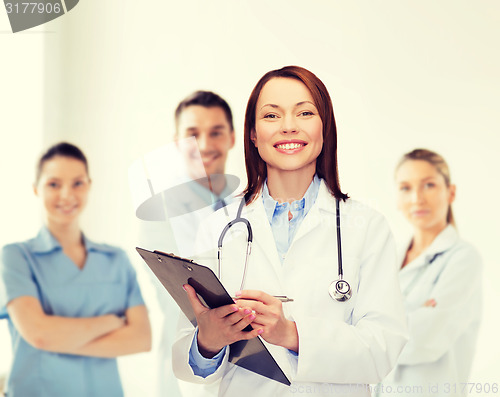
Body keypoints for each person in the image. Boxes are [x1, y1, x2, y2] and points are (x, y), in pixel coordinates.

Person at [172, 66, 408, 396]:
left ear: (325, 127)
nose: (288, 126)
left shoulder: (367, 226)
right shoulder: (218, 226)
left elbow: (383, 348)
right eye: (271, 115)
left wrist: (291, 334)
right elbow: (187, 364)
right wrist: (207, 342)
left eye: (305, 112)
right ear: (252, 134)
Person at [0, 142, 151, 397]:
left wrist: (58, 338)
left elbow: (141, 338)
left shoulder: (116, 259)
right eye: (54, 184)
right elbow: (39, 335)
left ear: (89, 186)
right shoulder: (16, 257)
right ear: (36, 188)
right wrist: (110, 323)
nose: (67, 195)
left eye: (77, 183)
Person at [137, 90, 237, 397]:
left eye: (216, 132)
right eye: (192, 134)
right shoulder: (160, 212)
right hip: (189, 375)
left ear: (232, 137)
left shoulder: (246, 206)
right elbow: (187, 301)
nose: (204, 145)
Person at [376, 149, 482, 396]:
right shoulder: (387, 258)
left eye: (429, 185)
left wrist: (372, 327)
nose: (417, 198)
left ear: (451, 192)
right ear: (396, 198)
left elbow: (423, 340)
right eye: (405, 188)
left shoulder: (463, 259)